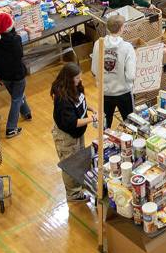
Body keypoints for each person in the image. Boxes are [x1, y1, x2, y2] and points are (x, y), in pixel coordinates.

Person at [51, 62, 95, 202]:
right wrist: (92, 119)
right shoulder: (62, 99)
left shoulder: (75, 87)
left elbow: (80, 102)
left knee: (78, 159)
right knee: (70, 164)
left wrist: (91, 109)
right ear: (68, 79)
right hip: (67, 137)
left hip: (77, 133)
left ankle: (79, 186)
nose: (79, 80)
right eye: (76, 78)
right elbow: (72, 122)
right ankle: (73, 195)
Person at [91, 13, 136, 128]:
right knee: (130, 124)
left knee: (105, 125)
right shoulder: (127, 47)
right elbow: (130, 75)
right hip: (123, 92)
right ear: (121, 28)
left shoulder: (98, 44)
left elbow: (94, 69)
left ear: (107, 28)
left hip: (105, 92)